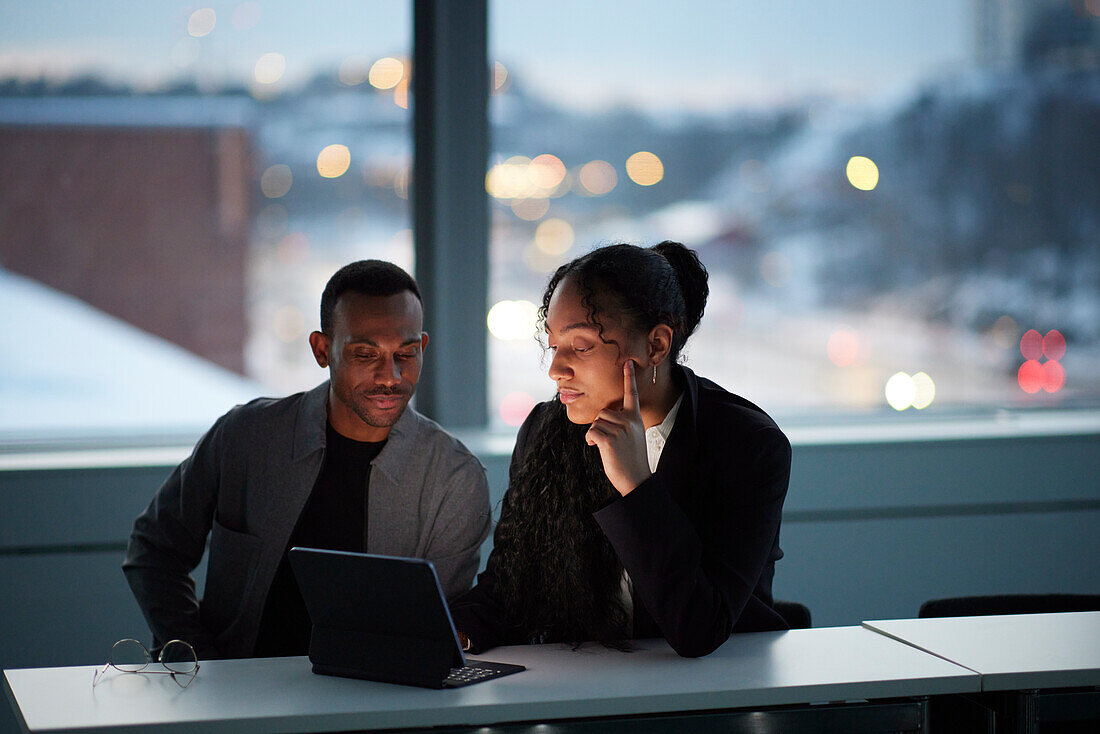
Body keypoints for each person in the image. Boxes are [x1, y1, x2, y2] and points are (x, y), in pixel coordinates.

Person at [124, 260, 491, 660]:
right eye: (366, 354)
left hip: (377, 709)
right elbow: (154, 548)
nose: (391, 376)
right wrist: (194, 657)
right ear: (322, 350)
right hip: (234, 703)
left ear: (422, 347)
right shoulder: (246, 436)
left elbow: (438, 634)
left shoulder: (455, 478)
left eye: (406, 353)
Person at [450, 242, 791, 658]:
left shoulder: (748, 445)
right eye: (554, 345)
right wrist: (451, 630)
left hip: (716, 689)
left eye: (581, 345)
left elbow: (699, 628)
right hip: (588, 685)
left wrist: (636, 484)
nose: (556, 369)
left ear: (656, 346)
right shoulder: (547, 430)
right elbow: (508, 591)